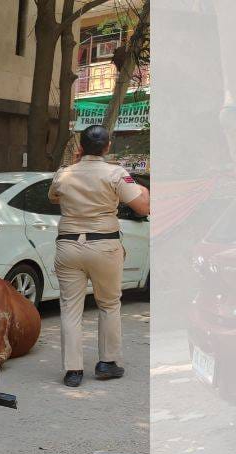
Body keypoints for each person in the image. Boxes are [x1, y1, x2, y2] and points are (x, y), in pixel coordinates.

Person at [48, 124, 150, 388]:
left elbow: (54, 198)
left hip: (68, 245)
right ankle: (107, 363)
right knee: (109, 304)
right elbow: (142, 207)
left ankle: (73, 371)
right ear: (108, 147)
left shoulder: (64, 173)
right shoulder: (116, 174)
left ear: (81, 147)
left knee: (70, 308)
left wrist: (74, 165)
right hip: (104, 246)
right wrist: (145, 191)